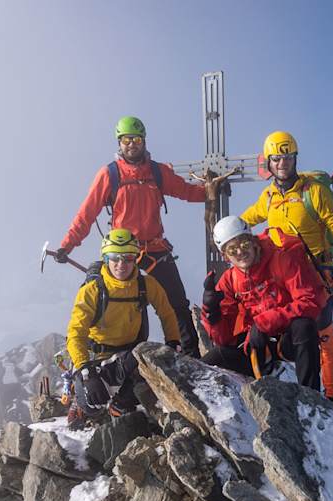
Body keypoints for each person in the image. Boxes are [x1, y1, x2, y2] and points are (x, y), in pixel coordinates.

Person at [52, 116, 227, 358]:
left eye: (136, 139)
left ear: (144, 141)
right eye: (126, 140)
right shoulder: (109, 175)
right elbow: (87, 212)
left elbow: (185, 191)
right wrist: (67, 245)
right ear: (119, 143)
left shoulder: (157, 171)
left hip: (155, 247)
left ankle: (189, 356)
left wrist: (211, 192)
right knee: (116, 304)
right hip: (123, 252)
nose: (131, 144)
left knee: (177, 303)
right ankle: (116, 358)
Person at [239, 131, 333, 402]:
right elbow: (247, 218)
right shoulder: (269, 196)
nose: (282, 163)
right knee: (293, 331)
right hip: (283, 279)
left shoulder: (314, 192)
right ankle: (287, 383)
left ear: (295, 159)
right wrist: (225, 230)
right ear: (268, 163)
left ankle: (331, 396)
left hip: (316, 276)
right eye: (276, 158)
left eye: (287, 157)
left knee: (323, 337)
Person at [65, 228, 182, 428]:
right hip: (97, 357)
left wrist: (173, 342)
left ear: (136, 258)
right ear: (105, 258)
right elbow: (76, 334)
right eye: (115, 258)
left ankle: (121, 403)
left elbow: (167, 312)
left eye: (128, 258)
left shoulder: (146, 284)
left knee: (154, 374)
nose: (122, 264)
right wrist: (86, 373)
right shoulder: (92, 291)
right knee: (92, 405)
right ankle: (81, 400)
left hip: (130, 354)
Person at [200, 217, 327, 391]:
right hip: (258, 346)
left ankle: (310, 396)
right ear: (225, 256)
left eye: (244, 244)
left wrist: (264, 323)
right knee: (213, 359)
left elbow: (309, 301)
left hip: (288, 340)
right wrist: (211, 312)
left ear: (253, 242)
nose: (240, 252)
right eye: (232, 249)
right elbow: (224, 339)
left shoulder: (280, 260)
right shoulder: (229, 280)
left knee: (304, 326)